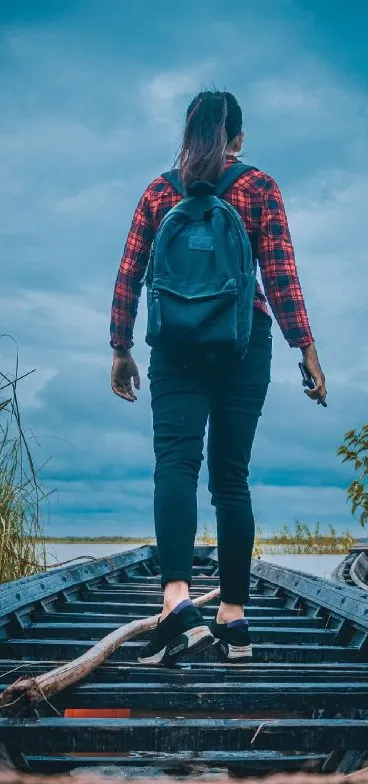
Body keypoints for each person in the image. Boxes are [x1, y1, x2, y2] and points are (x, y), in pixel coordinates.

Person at [110, 90, 326, 666]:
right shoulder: (259, 186)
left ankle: (177, 602)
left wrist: (119, 347)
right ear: (239, 138)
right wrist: (305, 347)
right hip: (242, 342)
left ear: (188, 134)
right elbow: (280, 274)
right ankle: (233, 619)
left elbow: (130, 272)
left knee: (174, 464)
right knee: (231, 478)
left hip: (175, 346)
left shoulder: (159, 190)